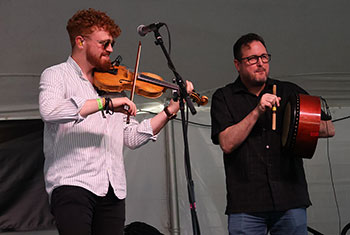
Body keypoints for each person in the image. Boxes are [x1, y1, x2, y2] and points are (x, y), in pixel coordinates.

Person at [39, 8, 193, 235]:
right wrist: (105, 104)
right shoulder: (56, 75)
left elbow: (130, 137)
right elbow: (50, 110)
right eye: (104, 43)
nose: (110, 49)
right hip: (73, 184)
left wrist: (170, 110)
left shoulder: (112, 86)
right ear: (81, 41)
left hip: (113, 190)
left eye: (112, 44)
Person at [210, 33, 335, 235]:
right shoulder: (224, 97)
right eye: (252, 59)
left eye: (264, 57)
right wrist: (257, 111)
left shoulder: (290, 91)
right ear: (237, 64)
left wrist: (293, 122)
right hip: (246, 203)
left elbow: (329, 128)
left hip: (290, 199)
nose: (260, 63)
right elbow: (226, 143)